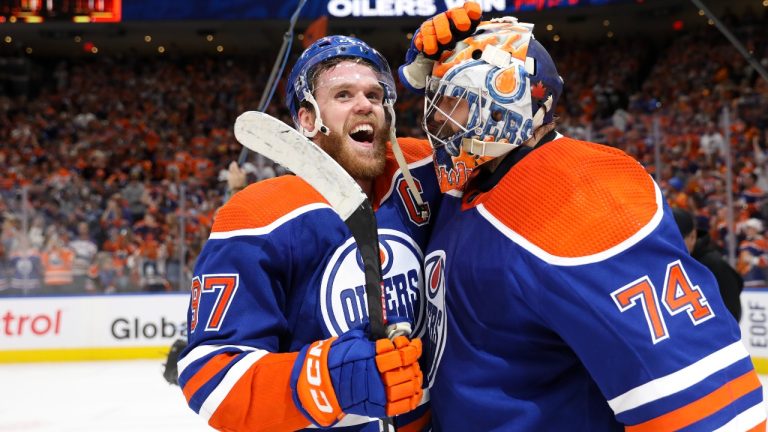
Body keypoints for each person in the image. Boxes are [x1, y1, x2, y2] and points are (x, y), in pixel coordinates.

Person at [397, 14, 766, 431]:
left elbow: (704, 409)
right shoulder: (462, 186)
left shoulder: (581, 191)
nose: (439, 118)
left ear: (507, 96)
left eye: (453, 98)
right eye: (438, 100)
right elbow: (359, 165)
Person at [176, 34, 448, 431]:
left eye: (374, 95)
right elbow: (211, 379)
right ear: (307, 119)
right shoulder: (260, 214)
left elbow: (504, 159)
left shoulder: (421, 172)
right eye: (343, 95)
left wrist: (460, 60)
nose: (364, 105)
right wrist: (332, 378)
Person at [672, 208, 743, 322]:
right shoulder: (668, 262)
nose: (670, 245)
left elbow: (732, 317)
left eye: (676, 240)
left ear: (692, 237)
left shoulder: (714, 266)